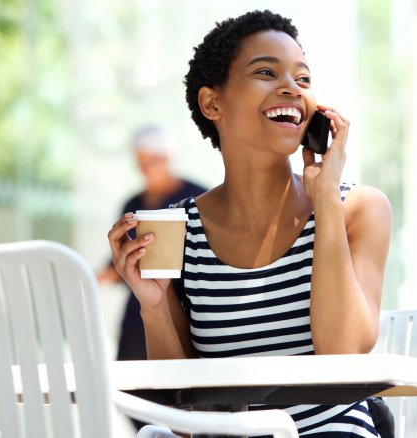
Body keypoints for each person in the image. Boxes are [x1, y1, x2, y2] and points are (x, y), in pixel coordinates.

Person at [108, 10, 392, 437]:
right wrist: (153, 306)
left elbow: (342, 359)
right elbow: (184, 419)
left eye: (303, 79)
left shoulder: (358, 208)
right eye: (265, 71)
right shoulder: (180, 230)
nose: (291, 89)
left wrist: (325, 199)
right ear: (212, 103)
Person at [98, 125, 205, 430]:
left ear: (168, 157)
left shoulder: (198, 197)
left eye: (152, 160)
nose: (146, 168)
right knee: (129, 392)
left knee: (181, 396)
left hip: (185, 309)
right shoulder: (133, 205)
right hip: (139, 312)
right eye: (141, 161)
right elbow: (119, 263)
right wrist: (94, 279)